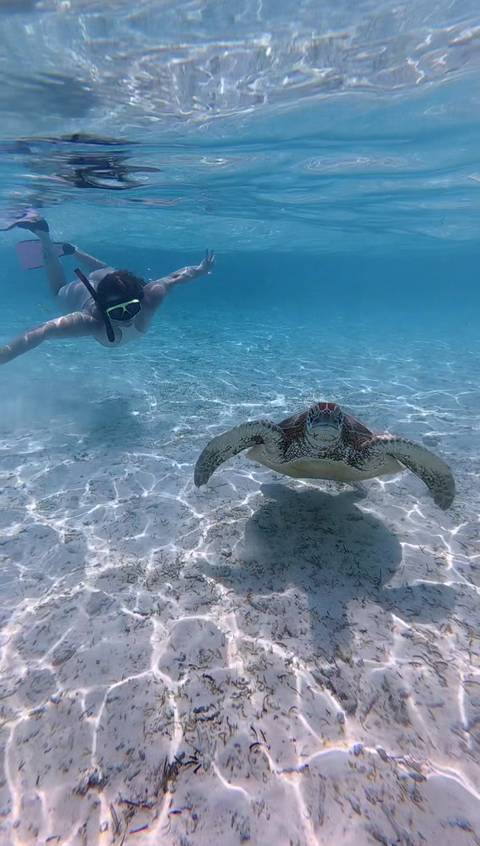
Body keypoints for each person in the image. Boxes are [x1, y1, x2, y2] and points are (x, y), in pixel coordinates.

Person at [0, 213, 214, 364]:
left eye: (131, 308)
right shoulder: (92, 321)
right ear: (103, 310)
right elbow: (42, 331)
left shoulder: (151, 296)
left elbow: (176, 277)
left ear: (140, 298)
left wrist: (201, 269)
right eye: (117, 312)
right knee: (58, 291)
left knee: (109, 273)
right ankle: (45, 237)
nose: (126, 317)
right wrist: (5, 355)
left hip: (106, 286)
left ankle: (72, 249)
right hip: (80, 293)